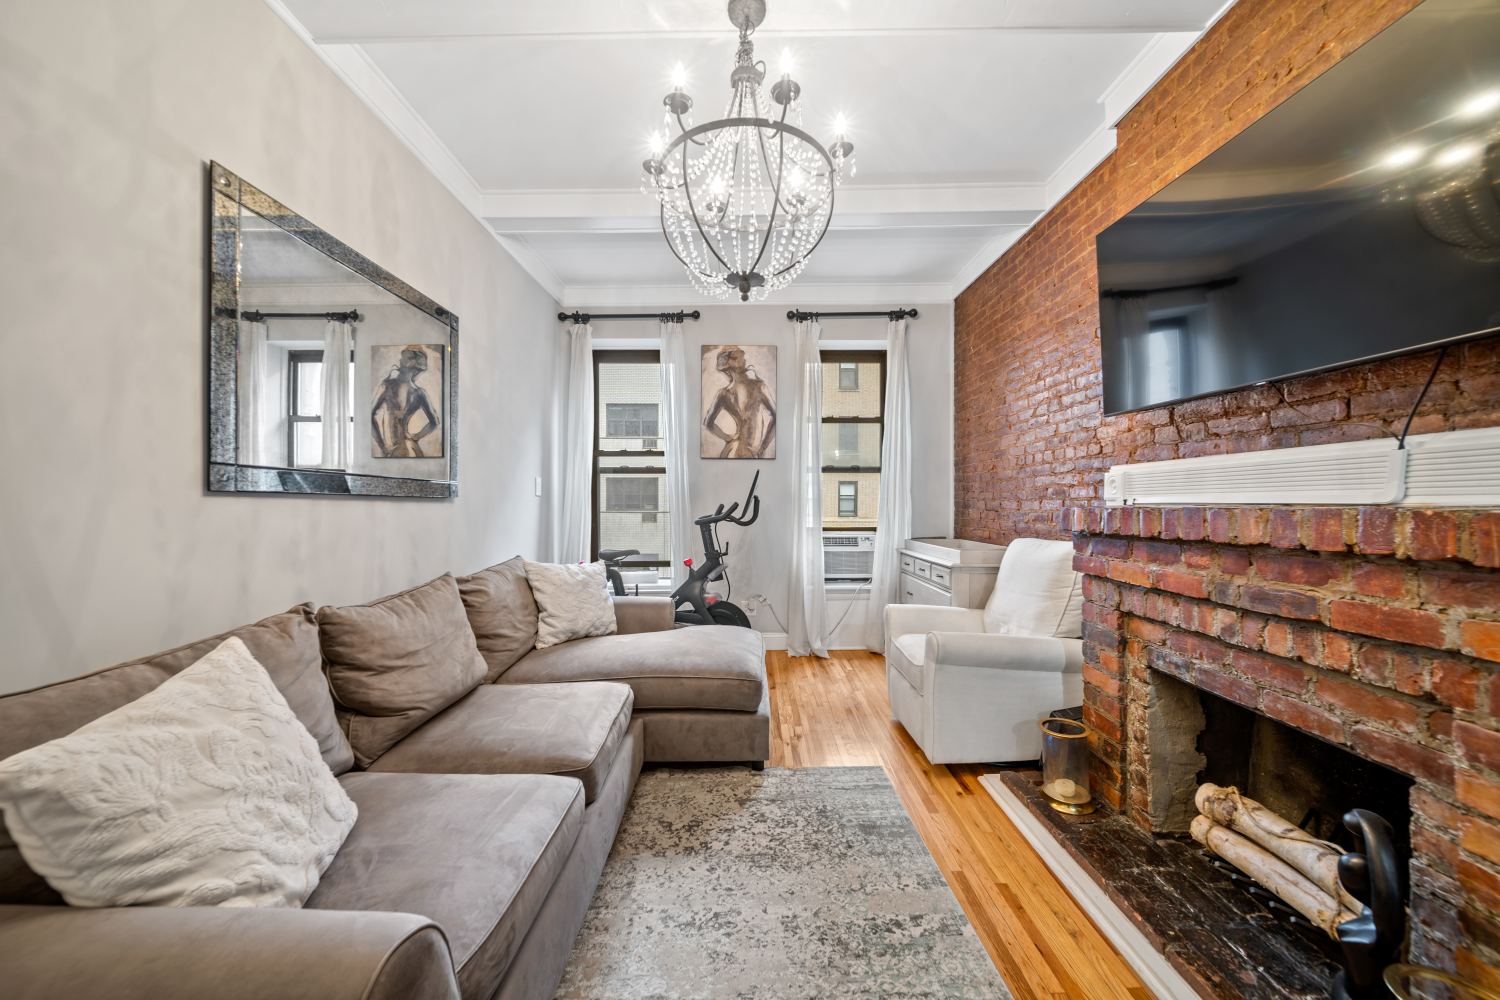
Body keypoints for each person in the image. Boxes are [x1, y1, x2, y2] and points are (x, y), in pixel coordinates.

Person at [703, 345, 776, 458]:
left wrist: (728, 438)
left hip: (736, 449)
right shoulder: (758, 386)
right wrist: (762, 448)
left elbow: (708, 422)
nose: (745, 359)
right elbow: (708, 422)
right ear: (731, 363)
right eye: (739, 357)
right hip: (744, 450)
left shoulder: (724, 393)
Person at [371, 346, 440, 457]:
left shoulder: (387, 386)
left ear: (412, 362)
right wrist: (414, 438)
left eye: (405, 358)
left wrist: (382, 446)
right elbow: (434, 422)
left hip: (395, 449)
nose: (400, 360)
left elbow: (434, 422)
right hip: (409, 448)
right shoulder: (419, 392)